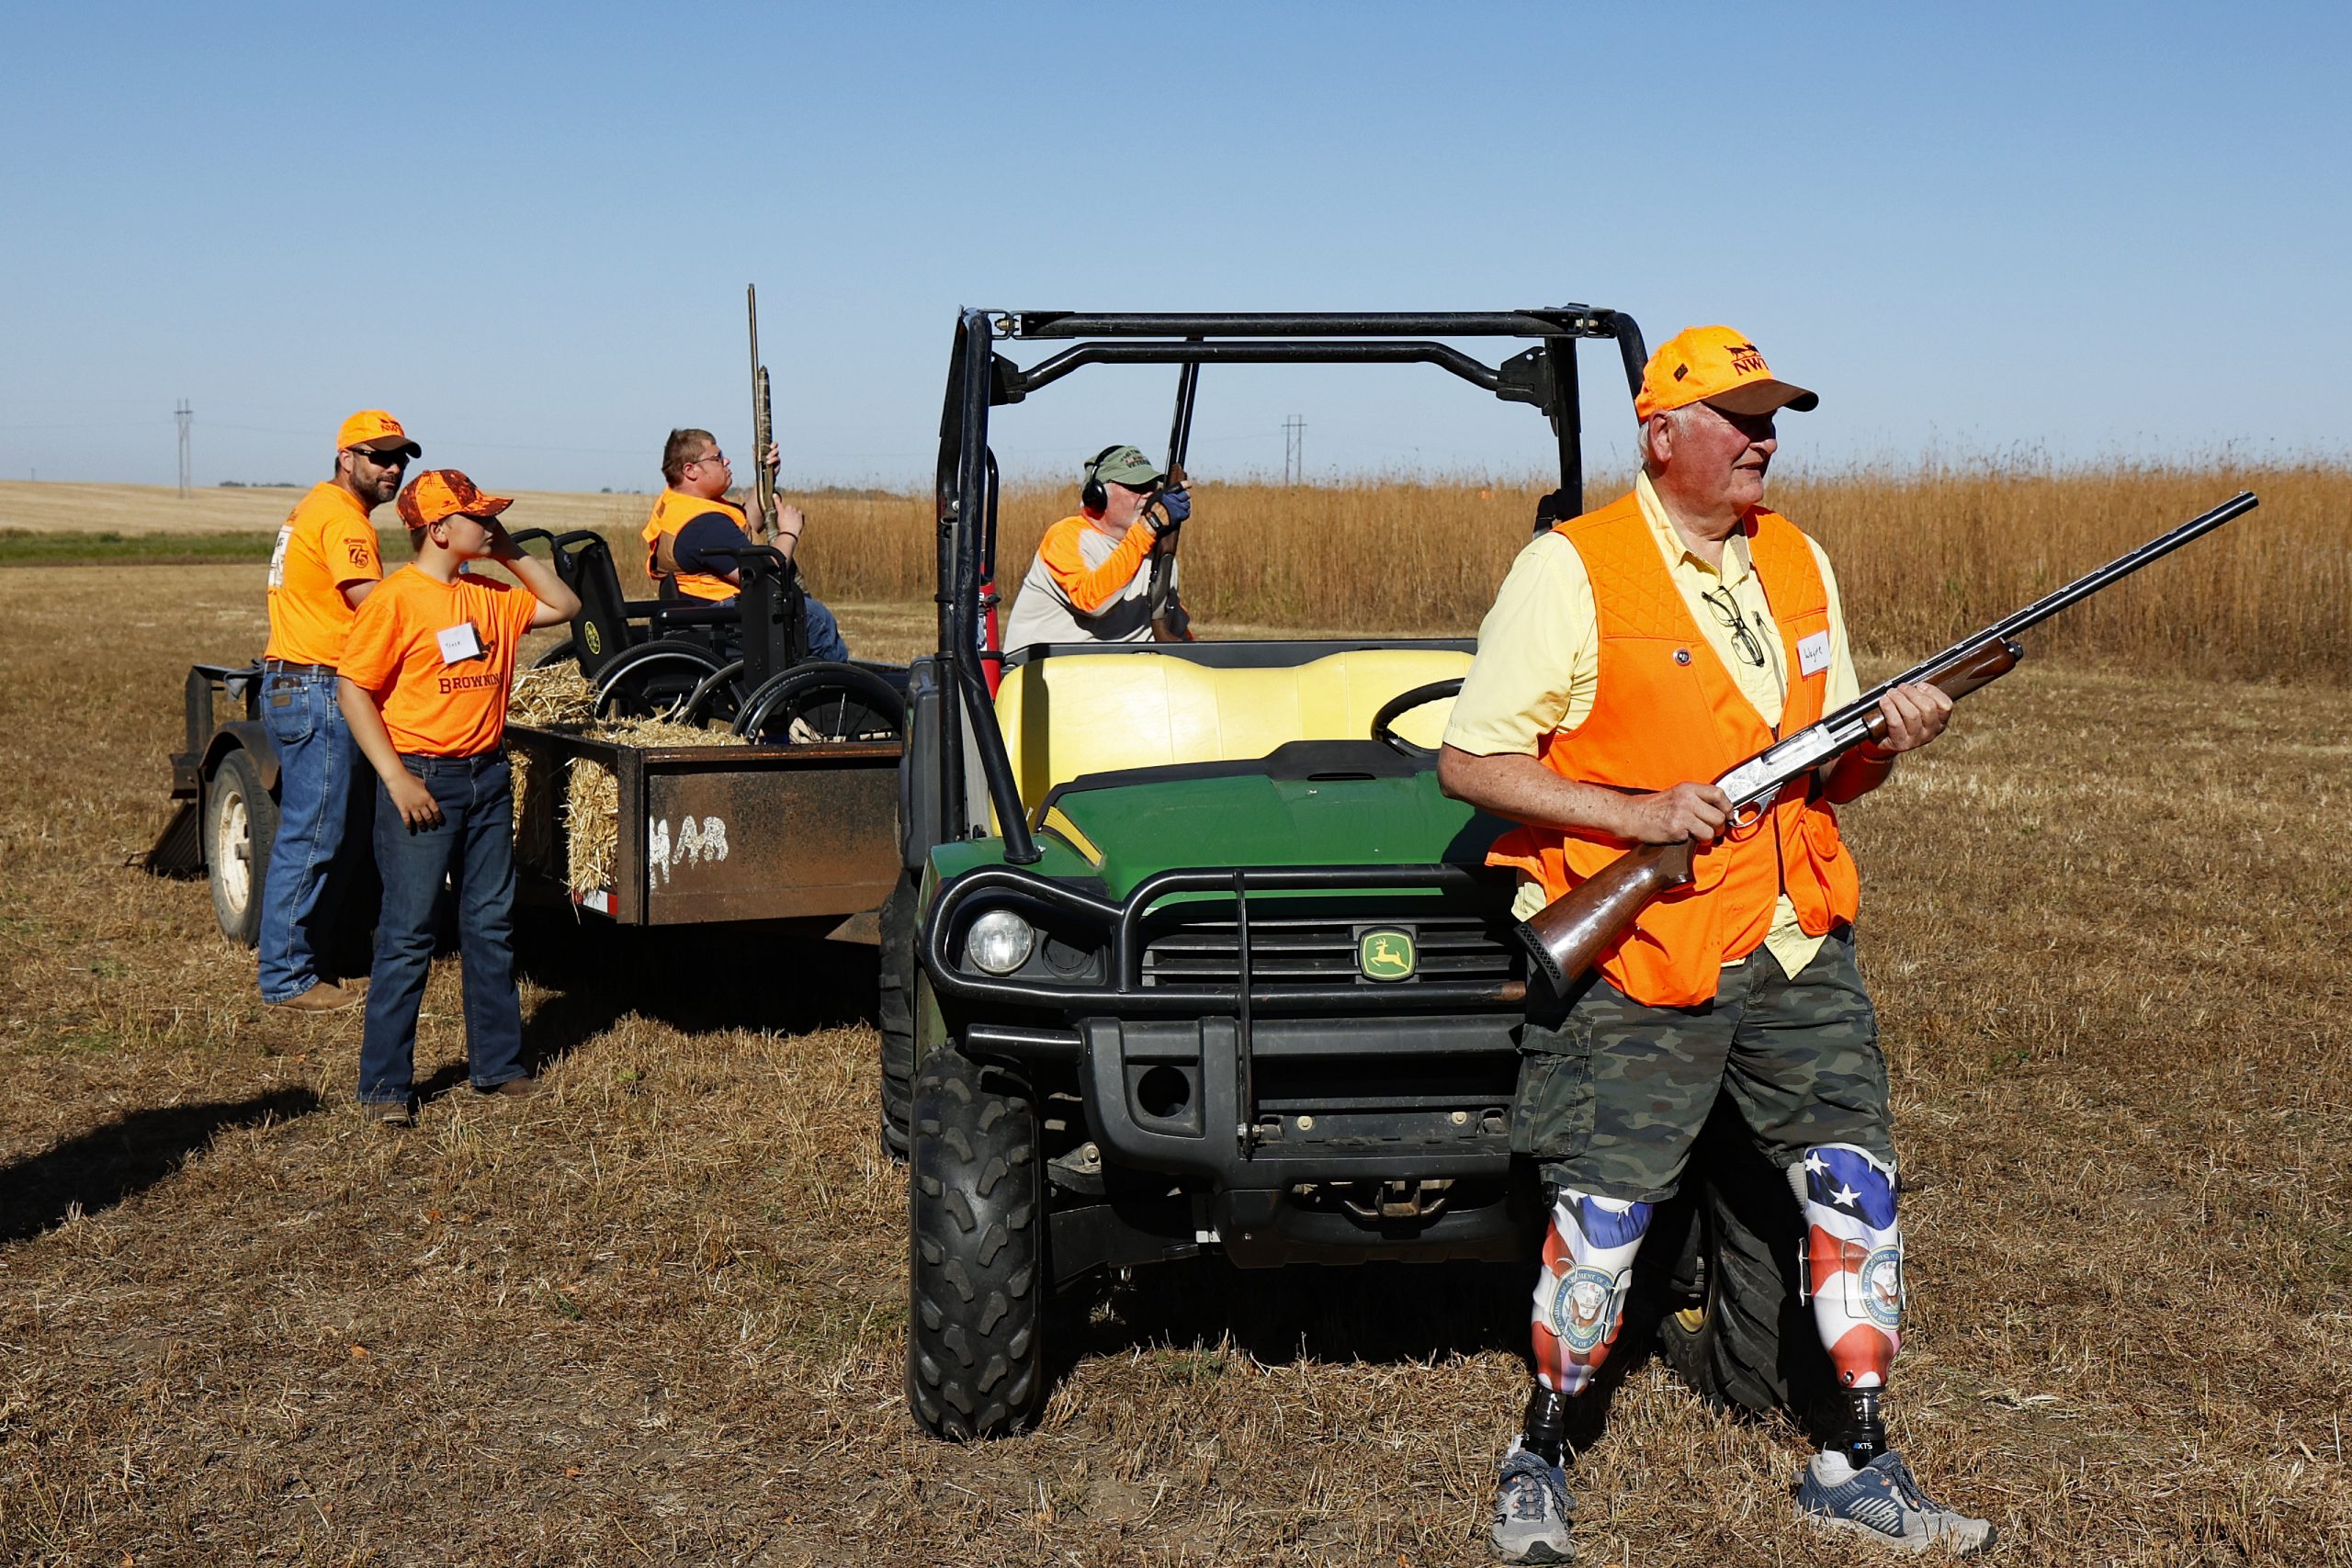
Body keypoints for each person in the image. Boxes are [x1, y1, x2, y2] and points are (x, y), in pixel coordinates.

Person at [1436, 326, 1992, 1561]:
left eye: (1773, 415)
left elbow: (1832, 768)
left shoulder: (1797, 557)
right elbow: (1473, 758)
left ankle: (1855, 1453)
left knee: (1858, 1190)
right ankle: (1541, 1450)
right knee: (1608, 1212)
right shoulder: (1573, 570)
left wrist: (1895, 734)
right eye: (1739, 418)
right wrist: (1638, 816)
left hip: (1797, 936)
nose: (1764, 438)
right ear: (1662, 434)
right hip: (1651, 948)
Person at [335, 470, 582, 1126]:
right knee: (409, 932)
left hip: (486, 777)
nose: (490, 524)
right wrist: (395, 778)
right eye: (478, 518)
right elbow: (353, 690)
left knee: (490, 922)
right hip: (421, 779)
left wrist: (511, 551)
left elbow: (565, 606)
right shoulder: (395, 599)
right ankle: (385, 1086)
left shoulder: (490, 594)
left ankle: (496, 1066)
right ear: (440, 529)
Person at [255, 410, 419, 1012]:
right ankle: (286, 976)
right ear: (346, 457)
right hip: (319, 687)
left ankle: (315, 953)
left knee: (326, 829)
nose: (393, 467)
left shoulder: (314, 508)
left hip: (296, 683)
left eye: (400, 457)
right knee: (314, 832)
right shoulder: (344, 520)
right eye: (379, 456)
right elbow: (370, 605)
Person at [639, 428, 849, 661]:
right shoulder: (704, 524)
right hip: (723, 623)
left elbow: (744, 524)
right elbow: (764, 574)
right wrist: (789, 531)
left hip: (704, 618)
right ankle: (832, 692)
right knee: (817, 617)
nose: (726, 461)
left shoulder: (682, 505)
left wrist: (766, 478)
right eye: (717, 458)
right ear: (690, 470)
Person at [1002, 444, 1191, 649]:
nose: (1148, 495)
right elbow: (1093, 600)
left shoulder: (1158, 553)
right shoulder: (1066, 537)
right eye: (1136, 487)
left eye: (1151, 487)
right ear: (1098, 494)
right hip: (1050, 675)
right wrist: (1150, 527)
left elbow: (1177, 633)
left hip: (1123, 677)